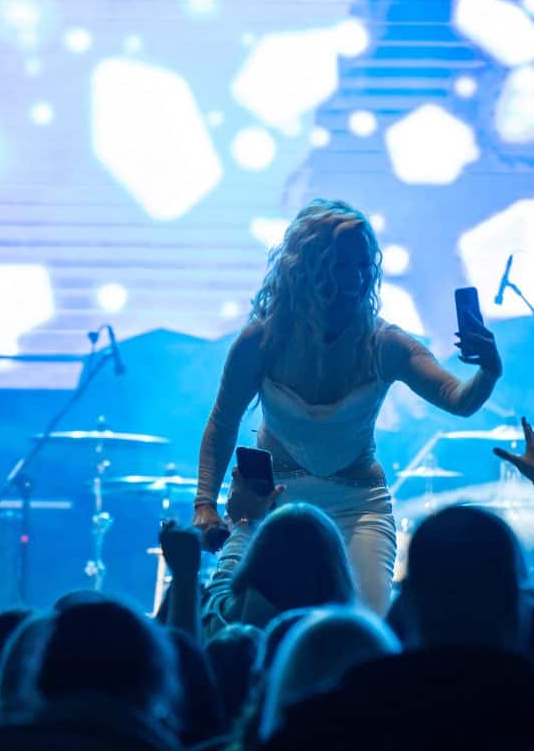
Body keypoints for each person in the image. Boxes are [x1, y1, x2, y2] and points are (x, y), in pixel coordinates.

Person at [192, 198, 502, 614]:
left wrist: (489, 370)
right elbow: (222, 422)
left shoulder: (386, 344)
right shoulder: (261, 341)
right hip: (272, 503)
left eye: (363, 265)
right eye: (341, 264)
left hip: (358, 506)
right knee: (247, 620)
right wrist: (205, 504)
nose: (356, 277)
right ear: (306, 267)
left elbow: (458, 400)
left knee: (365, 623)